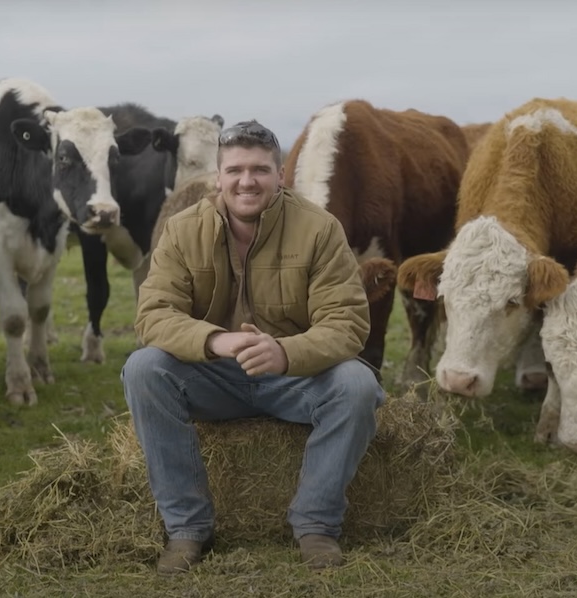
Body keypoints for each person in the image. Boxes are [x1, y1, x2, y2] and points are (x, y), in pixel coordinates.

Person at [122, 119, 386, 574]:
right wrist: (215, 340)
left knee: (357, 383)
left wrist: (286, 353)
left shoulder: (319, 229)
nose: (248, 181)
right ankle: (187, 529)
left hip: (293, 378)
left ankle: (316, 525)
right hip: (214, 376)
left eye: (261, 170)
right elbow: (153, 315)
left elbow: (347, 322)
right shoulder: (184, 229)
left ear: (280, 175)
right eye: (236, 170)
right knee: (145, 368)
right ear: (218, 176)